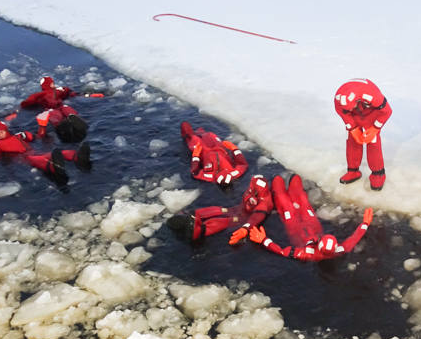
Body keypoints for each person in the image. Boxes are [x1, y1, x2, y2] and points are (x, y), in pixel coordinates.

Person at [245, 174, 373, 261]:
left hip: (293, 224)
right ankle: (292, 184)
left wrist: (263, 240)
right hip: (310, 221)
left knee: (283, 198)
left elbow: (282, 251)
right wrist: (365, 224)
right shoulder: (337, 250)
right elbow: (352, 240)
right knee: (300, 194)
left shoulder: (307, 254)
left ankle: (277, 185)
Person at [0, 120, 90, 186]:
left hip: (33, 151)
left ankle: (77, 156)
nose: (0, 134)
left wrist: (42, 127)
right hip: (23, 158)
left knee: (54, 153)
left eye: (1, 132)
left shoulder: (19, 136)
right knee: (38, 161)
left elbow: (35, 137)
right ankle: (55, 167)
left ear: (6, 130)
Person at [168, 175, 273, 242]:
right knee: (220, 209)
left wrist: (245, 228)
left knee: (225, 221)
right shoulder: (252, 191)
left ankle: (200, 230)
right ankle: (189, 215)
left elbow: (257, 216)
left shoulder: (264, 203)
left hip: (242, 218)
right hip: (236, 209)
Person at [334, 78, 392, 190]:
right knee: (352, 140)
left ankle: (378, 174)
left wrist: (375, 128)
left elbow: (387, 111)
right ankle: (353, 171)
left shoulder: (372, 95)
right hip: (354, 115)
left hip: (372, 112)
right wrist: (353, 129)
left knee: (373, 141)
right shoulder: (339, 100)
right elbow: (343, 113)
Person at [180, 121, 248, 185]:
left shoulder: (210, 176)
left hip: (203, 151)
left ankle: (190, 134)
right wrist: (234, 149)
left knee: (191, 136)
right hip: (219, 148)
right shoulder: (235, 173)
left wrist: (196, 157)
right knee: (209, 135)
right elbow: (243, 164)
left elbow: (195, 173)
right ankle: (200, 132)